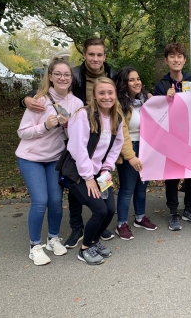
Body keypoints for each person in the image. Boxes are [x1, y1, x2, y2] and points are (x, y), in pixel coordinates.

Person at [19, 37, 128, 246]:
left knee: (81, 201)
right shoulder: (74, 75)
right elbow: (52, 88)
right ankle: (75, 229)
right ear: (85, 55)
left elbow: (127, 95)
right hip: (71, 140)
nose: (95, 58)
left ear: (104, 57)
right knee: (66, 192)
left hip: (94, 134)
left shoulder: (112, 75)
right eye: (91, 54)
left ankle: (95, 228)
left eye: (99, 54)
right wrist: (25, 99)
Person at [16, 57, 83, 265]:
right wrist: (44, 126)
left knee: (55, 201)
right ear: (51, 77)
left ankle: (53, 238)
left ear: (71, 78)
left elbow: (79, 136)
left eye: (67, 74)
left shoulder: (76, 103)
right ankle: (35, 246)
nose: (63, 78)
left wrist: (66, 126)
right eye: (58, 74)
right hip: (31, 158)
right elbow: (22, 132)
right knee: (40, 202)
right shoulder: (39, 100)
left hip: (54, 159)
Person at [67, 77, 124, 264]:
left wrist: (107, 169)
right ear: (94, 95)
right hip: (79, 172)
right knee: (99, 210)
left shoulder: (117, 117)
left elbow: (117, 145)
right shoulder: (83, 115)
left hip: (101, 172)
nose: (106, 97)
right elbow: (78, 148)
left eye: (110, 92)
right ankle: (84, 249)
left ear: (115, 94)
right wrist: (88, 177)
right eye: (102, 93)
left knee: (109, 210)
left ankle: (94, 240)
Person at [154, 42, 191, 231]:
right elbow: (156, 113)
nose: (176, 59)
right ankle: (173, 213)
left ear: (184, 59)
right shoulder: (162, 85)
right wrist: (164, 99)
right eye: (172, 56)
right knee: (172, 177)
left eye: (179, 56)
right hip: (171, 139)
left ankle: (189, 209)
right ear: (166, 60)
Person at [115, 66, 157, 240]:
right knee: (127, 188)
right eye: (131, 79)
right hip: (129, 147)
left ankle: (140, 217)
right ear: (124, 83)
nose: (136, 82)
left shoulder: (145, 101)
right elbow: (121, 133)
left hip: (146, 146)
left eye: (138, 78)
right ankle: (122, 223)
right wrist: (130, 156)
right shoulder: (119, 104)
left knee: (142, 186)